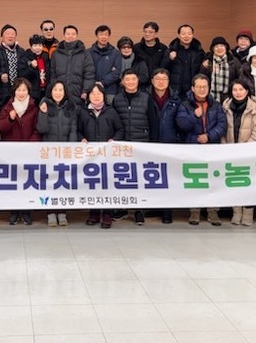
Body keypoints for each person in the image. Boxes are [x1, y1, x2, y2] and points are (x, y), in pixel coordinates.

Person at [176, 74, 227, 226]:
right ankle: (195, 211)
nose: (202, 89)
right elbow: (181, 125)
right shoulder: (185, 105)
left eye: (204, 87)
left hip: (212, 148)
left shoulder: (216, 105)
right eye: (199, 87)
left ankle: (213, 211)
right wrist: (193, 116)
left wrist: (209, 136)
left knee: (213, 181)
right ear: (193, 88)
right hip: (193, 148)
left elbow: (222, 125)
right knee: (195, 181)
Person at [78, 82, 124, 229]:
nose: (96, 96)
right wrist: (81, 138)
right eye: (93, 94)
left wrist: (114, 140)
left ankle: (107, 214)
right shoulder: (83, 112)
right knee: (93, 184)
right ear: (88, 96)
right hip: (90, 156)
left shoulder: (111, 111)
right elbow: (78, 130)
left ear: (104, 96)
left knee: (107, 183)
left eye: (99, 93)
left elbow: (120, 129)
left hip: (107, 156)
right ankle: (94, 213)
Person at [222, 80, 256, 226]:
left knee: (249, 183)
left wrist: (247, 149)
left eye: (241, 89)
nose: (238, 92)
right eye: (235, 90)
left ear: (247, 91)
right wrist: (225, 147)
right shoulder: (225, 108)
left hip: (249, 153)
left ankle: (248, 213)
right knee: (234, 183)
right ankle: (236, 212)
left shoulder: (255, 108)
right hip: (230, 152)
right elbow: (223, 130)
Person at [112, 69, 153, 225]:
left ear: (138, 81)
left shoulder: (146, 98)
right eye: (127, 79)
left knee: (139, 178)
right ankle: (122, 208)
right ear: (122, 81)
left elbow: (153, 121)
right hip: (122, 144)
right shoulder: (117, 99)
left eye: (133, 79)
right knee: (123, 177)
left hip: (141, 143)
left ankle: (138, 210)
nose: (130, 82)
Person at [0, 78, 40, 226]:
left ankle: (27, 211)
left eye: (24, 90)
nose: (21, 93)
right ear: (14, 91)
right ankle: (14, 212)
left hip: (29, 151)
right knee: (14, 182)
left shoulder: (34, 108)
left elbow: (37, 129)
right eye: (18, 90)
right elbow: (1, 127)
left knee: (28, 182)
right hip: (12, 152)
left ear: (28, 92)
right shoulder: (7, 107)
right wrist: (10, 119)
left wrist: (30, 146)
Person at [36, 80, 78, 227]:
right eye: (55, 90)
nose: (58, 93)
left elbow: (73, 129)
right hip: (49, 151)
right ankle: (50, 213)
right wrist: (43, 113)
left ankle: (62, 212)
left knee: (63, 182)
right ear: (50, 91)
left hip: (65, 151)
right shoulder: (45, 104)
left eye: (61, 90)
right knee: (50, 182)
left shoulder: (71, 107)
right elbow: (41, 129)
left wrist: (71, 148)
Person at [147, 68, 181, 224]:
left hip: (169, 143)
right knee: (153, 177)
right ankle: (155, 207)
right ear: (152, 81)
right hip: (151, 143)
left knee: (168, 179)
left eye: (164, 79)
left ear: (168, 82)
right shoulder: (146, 98)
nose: (161, 82)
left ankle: (167, 211)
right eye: (158, 79)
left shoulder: (176, 99)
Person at [50, 25, 95, 104]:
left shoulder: (85, 53)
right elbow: (53, 74)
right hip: (60, 94)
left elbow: (89, 74)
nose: (70, 36)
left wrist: (85, 90)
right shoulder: (56, 53)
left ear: (76, 36)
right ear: (64, 35)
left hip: (78, 94)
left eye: (73, 34)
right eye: (68, 34)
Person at [0, 24, 26, 108]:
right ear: (2, 37)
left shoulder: (21, 51)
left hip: (19, 92)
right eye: (7, 34)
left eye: (12, 34)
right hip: (2, 92)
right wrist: (0, 75)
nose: (10, 36)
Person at [166, 24, 205, 99]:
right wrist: (169, 59)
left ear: (192, 35)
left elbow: (202, 71)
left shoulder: (199, 52)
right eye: (183, 34)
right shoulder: (170, 50)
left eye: (189, 34)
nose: (186, 36)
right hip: (175, 90)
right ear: (178, 35)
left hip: (193, 90)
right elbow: (163, 69)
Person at [199, 36, 241, 103]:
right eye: (216, 46)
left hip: (230, 96)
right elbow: (202, 78)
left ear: (226, 48)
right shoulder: (208, 62)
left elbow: (240, 78)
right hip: (211, 96)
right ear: (213, 49)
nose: (219, 48)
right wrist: (204, 68)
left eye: (222, 46)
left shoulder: (234, 61)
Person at [89, 25, 122, 104]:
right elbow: (87, 70)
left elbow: (116, 72)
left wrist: (103, 83)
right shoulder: (88, 52)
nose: (104, 37)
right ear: (96, 36)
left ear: (109, 36)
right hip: (92, 89)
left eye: (106, 34)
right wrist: (94, 83)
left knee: (110, 109)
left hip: (110, 90)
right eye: (101, 34)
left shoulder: (115, 53)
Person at [23, 34, 51, 102]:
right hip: (33, 92)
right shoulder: (26, 57)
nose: (38, 48)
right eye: (35, 45)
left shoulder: (46, 56)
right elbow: (23, 75)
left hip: (45, 91)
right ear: (31, 47)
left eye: (40, 45)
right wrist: (31, 67)